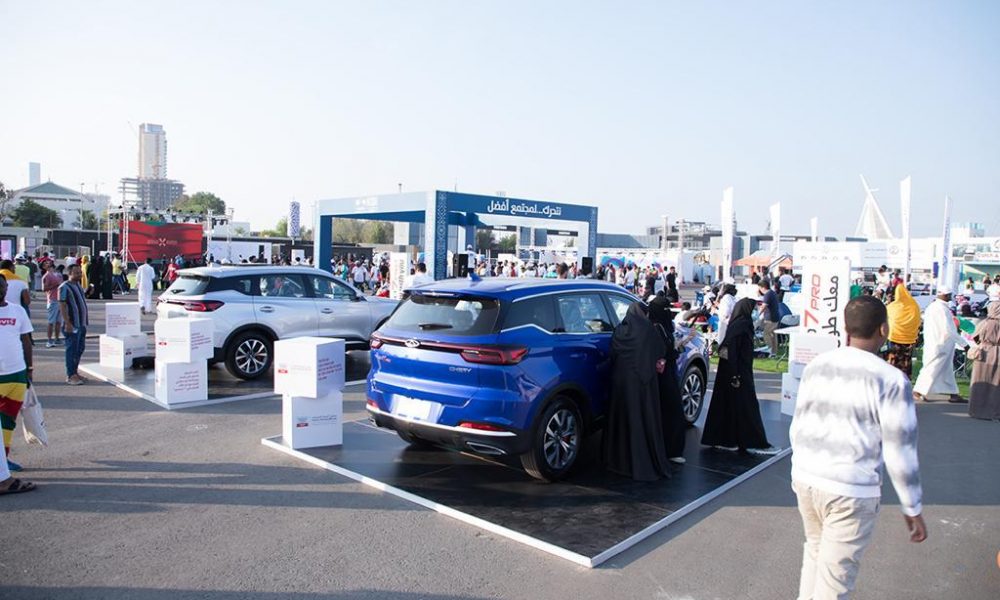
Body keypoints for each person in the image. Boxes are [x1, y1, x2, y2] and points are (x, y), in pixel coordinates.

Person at [790, 295, 926, 599]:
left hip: (807, 479)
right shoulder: (891, 379)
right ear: (884, 329)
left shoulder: (817, 365)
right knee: (834, 580)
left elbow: (798, 424)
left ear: (846, 327)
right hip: (850, 488)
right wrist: (912, 506)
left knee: (815, 556)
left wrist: (800, 467)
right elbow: (900, 449)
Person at [701, 298, 780, 455]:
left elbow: (729, 349)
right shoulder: (742, 325)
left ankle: (726, 439)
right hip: (738, 374)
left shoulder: (737, 324)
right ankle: (753, 442)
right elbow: (731, 350)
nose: (755, 312)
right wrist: (735, 374)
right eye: (753, 309)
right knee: (747, 408)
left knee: (729, 407)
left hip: (732, 373)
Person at [603, 302, 671, 481]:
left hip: (621, 383)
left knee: (622, 420)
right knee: (641, 421)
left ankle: (618, 462)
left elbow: (612, 352)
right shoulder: (648, 330)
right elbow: (661, 350)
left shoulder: (620, 330)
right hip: (642, 385)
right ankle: (641, 463)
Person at [648, 294, 690, 463]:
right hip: (663, 376)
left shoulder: (657, 327)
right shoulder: (658, 328)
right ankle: (671, 450)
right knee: (672, 410)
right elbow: (664, 351)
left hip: (661, 375)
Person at [0, 274, 33, 478]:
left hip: (17, 375)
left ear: (6, 288)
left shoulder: (17, 311)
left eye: (2, 286)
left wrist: (30, 369)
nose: (0, 290)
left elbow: (26, 341)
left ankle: (4, 460)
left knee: (8, 421)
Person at [913, 286, 968, 403]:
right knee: (931, 369)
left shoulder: (932, 307)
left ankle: (953, 394)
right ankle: (917, 391)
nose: (950, 297)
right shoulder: (942, 309)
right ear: (946, 295)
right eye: (949, 295)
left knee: (946, 370)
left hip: (936, 343)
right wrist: (964, 344)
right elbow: (949, 330)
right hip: (940, 345)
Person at [968, 301, 1000, 420]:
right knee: (996, 384)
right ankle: (994, 411)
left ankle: (976, 410)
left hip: (984, 353)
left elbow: (975, 337)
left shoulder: (985, 322)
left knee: (980, 381)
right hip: (998, 353)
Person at [883, 281, 922, 378]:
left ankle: (892, 380)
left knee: (893, 361)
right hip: (910, 340)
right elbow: (918, 322)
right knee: (906, 361)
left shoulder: (891, 307)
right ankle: (905, 379)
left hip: (894, 338)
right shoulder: (914, 306)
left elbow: (886, 320)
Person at [59, 264, 89, 385]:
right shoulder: (64, 287)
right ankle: (70, 375)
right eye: (76, 273)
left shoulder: (78, 285)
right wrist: (67, 323)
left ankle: (75, 372)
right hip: (72, 324)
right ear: (69, 273)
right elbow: (62, 305)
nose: (79, 275)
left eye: (80, 272)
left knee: (79, 349)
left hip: (81, 323)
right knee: (71, 350)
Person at [42, 260, 64, 347]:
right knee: (51, 321)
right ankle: (49, 340)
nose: (49, 265)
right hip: (52, 300)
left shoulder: (58, 275)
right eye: (46, 264)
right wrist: (55, 285)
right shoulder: (46, 276)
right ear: (44, 267)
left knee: (59, 321)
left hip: (60, 300)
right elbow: (44, 288)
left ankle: (57, 339)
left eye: (49, 264)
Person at [759, 279, 780, 358]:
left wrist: (758, 314)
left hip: (770, 318)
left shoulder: (767, 294)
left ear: (763, 287)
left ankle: (769, 350)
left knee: (766, 334)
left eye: (760, 288)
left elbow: (764, 306)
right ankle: (774, 352)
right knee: (773, 335)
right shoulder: (773, 293)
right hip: (775, 316)